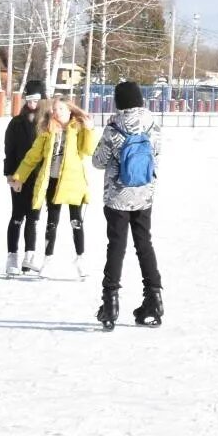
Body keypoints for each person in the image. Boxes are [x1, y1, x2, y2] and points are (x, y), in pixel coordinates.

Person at [94, 80, 163, 329]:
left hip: (117, 197)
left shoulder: (113, 128)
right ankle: (154, 298)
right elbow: (157, 153)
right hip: (144, 195)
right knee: (144, 244)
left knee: (117, 247)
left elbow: (98, 161)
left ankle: (110, 303)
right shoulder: (153, 125)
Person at [10, 96, 98, 279]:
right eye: (54, 109)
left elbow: (88, 151)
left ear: (69, 111)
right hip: (53, 182)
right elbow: (33, 155)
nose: (56, 112)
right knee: (52, 222)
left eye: (60, 109)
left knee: (76, 222)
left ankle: (81, 259)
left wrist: (89, 130)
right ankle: (48, 260)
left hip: (73, 182)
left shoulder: (78, 128)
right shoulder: (48, 130)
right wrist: (19, 177)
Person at [1, 82, 46, 277]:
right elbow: (9, 150)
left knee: (34, 218)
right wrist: (11, 174)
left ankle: (30, 257)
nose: (32, 104)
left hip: (39, 176)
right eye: (29, 100)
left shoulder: (47, 122)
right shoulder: (16, 123)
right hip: (19, 175)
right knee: (18, 216)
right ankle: (12, 257)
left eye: (36, 100)